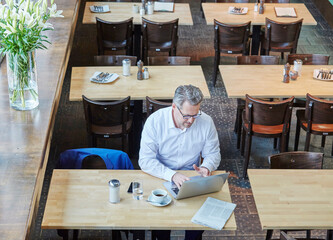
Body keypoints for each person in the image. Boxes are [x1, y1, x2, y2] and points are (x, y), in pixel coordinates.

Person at [139, 85, 221, 240]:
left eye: (195, 115)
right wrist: (172, 175)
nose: (191, 121)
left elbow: (213, 154)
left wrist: (206, 166)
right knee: (161, 226)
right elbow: (145, 160)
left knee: (197, 225)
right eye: (186, 116)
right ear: (174, 106)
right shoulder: (155, 121)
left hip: (192, 177)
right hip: (160, 174)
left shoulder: (206, 121)